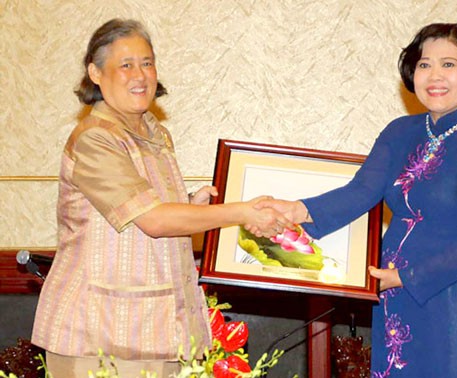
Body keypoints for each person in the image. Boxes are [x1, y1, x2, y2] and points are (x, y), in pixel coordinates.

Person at [31, 18, 291, 378]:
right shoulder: (96, 138)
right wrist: (240, 212)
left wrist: (190, 206)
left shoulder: (156, 134)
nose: (140, 75)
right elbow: (153, 220)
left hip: (161, 332)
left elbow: (143, 211)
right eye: (126, 65)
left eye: (147, 62)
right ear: (94, 72)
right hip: (100, 339)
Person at [253, 23, 457, 377]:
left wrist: (407, 276)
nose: (434, 75)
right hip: (389, 284)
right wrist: (294, 209)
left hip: (452, 288)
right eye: (424, 64)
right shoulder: (398, 132)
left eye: (448, 64)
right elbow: (360, 192)